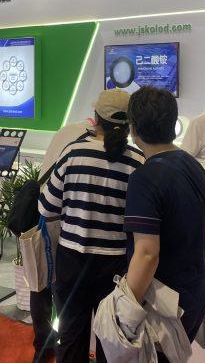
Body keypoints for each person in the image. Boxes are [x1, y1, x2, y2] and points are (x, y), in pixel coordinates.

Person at [38, 89, 144, 363]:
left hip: (72, 261)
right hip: (116, 267)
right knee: (112, 340)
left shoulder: (72, 153)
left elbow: (46, 208)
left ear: (96, 119)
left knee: (71, 336)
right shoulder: (137, 162)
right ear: (130, 123)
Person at [124, 86, 205, 349]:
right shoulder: (193, 165)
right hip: (195, 291)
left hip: (164, 303)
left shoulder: (144, 178)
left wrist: (125, 311)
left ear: (134, 128)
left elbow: (147, 254)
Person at [31, 116, 95, 363]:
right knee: (64, 286)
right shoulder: (91, 144)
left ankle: (43, 342)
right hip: (64, 220)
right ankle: (65, 340)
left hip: (43, 213)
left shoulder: (66, 130)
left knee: (41, 280)